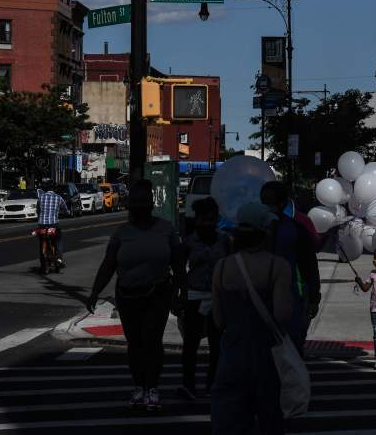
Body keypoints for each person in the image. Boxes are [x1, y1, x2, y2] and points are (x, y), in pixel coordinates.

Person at [87, 179, 186, 412]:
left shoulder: (166, 229)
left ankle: (152, 387)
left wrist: (180, 294)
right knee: (135, 344)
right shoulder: (121, 233)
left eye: (144, 201)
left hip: (158, 293)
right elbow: (108, 265)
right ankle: (139, 386)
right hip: (127, 296)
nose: (139, 206)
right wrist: (94, 293)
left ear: (151, 204)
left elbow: (179, 264)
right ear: (130, 206)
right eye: (135, 202)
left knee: (152, 342)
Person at [210, 202, 292, 435]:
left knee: (230, 421)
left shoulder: (223, 267)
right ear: (265, 232)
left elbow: (218, 320)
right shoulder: (278, 267)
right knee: (270, 419)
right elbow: (282, 315)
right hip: (267, 356)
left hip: (232, 354)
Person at [177, 197, 231, 400]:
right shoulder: (189, 242)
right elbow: (180, 270)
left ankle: (212, 383)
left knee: (217, 344)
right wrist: (179, 295)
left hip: (218, 298)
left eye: (212, 219)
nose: (208, 224)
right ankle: (188, 383)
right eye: (204, 219)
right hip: (194, 296)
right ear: (197, 219)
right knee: (191, 344)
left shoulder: (224, 240)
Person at [260, 181, 321, 354]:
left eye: (270, 202)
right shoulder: (255, 229)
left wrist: (314, 297)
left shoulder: (296, 229)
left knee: (291, 350)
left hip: (292, 297)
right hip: (265, 298)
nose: (267, 206)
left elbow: (309, 265)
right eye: (263, 202)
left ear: (282, 203)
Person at [36, 181, 68, 273]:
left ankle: (43, 263)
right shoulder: (59, 198)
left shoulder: (41, 198)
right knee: (58, 241)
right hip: (54, 224)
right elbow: (66, 210)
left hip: (42, 224)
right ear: (55, 189)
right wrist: (65, 213)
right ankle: (59, 260)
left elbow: (38, 210)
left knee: (42, 242)